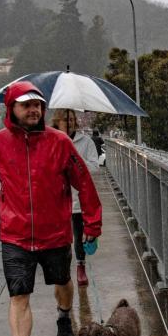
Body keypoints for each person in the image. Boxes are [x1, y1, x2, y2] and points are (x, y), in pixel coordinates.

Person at [0, 82, 102, 336]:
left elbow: (83, 182)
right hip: (15, 235)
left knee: (62, 281)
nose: (33, 110)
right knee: (18, 294)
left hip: (55, 233)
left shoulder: (59, 142)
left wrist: (92, 224)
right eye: (25, 105)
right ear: (12, 109)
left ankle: (63, 315)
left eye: (37, 105)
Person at [52, 110, 100, 286]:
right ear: (57, 121)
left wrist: (75, 161)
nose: (69, 123)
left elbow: (95, 167)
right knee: (61, 239)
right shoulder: (50, 140)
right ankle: (63, 270)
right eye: (65, 119)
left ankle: (81, 267)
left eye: (72, 119)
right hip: (57, 200)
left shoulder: (86, 142)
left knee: (80, 236)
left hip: (79, 199)